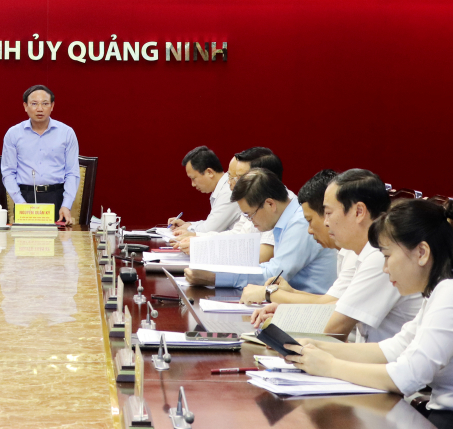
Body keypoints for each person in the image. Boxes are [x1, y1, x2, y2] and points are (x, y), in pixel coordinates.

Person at [287, 199, 453, 429]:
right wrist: (319, 347)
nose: (385, 268)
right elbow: (395, 349)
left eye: (387, 255)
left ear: (422, 252)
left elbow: (407, 377)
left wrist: (329, 366)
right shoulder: (443, 289)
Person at [248, 170, 421, 342]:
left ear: (359, 212)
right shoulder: (362, 250)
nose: (325, 222)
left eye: (329, 213)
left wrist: (282, 317)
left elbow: (336, 327)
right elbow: (335, 305)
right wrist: (287, 311)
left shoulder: (379, 256)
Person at [185, 168, 336, 293]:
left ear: (270, 204)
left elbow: (273, 274)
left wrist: (215, 277)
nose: (251, 221)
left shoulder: (300, 222)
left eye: (250, 214)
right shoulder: (287, 219)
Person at [0, 85, 80, 225]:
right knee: (25, 245)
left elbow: (72, 172)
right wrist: (20, 203)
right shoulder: (13, 134)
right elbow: (8, 172)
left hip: (56, 196)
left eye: (45, 103)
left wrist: (66, 204)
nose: (40, 109)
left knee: (58, 245)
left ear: (52, 106)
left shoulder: (67, 133)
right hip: (25, 197)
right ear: (25, 106)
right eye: (34, 104)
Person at [167, 146, 238, 238]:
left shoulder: (228, 191)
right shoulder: (222, 189)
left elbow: (209, 230)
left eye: (193, 178)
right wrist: (188, 225)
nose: (192, 184)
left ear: (210, 172)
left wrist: (187, 228)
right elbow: (211, 223)